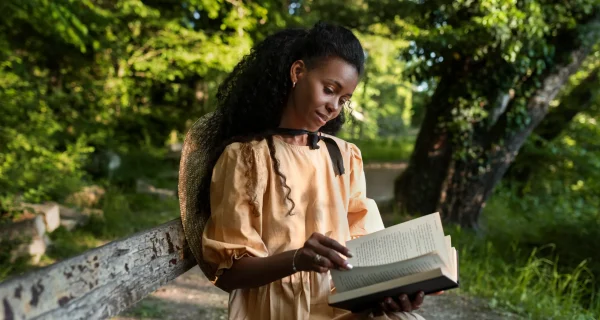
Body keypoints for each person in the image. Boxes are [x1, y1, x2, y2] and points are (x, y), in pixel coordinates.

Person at [179, 21, 431, 320]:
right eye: (329, 90)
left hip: (341, 311)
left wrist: (390, 294)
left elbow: (365, 254)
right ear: (298, 73)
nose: (333, 107)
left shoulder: (344, 156)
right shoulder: (247, 158)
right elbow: (229, 275)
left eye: (343, 100)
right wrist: (297, 259)